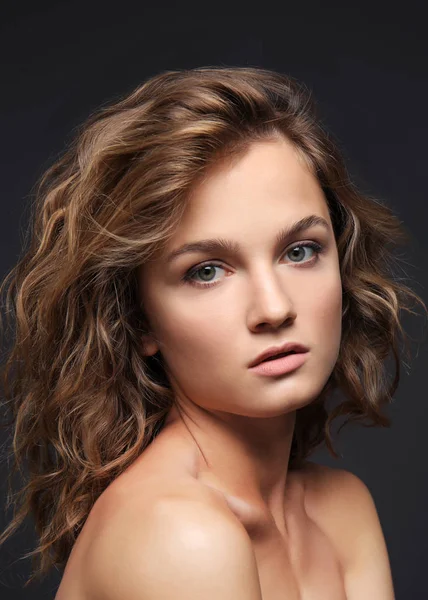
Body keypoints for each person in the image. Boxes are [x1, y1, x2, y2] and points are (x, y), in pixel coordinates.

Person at [0, 66, 424, 599]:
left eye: (300, 251)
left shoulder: (342, 510)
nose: (273, 308)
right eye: (207, 271)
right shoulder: (179, 535)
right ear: (138, 320)